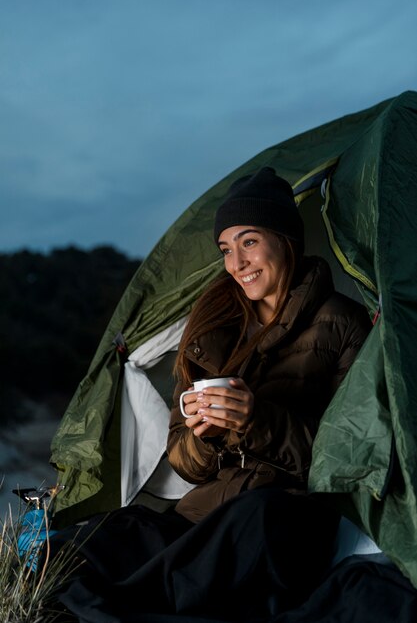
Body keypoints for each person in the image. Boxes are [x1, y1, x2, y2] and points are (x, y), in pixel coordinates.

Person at [47, 167, 372, 622]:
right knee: (89, 543)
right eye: (226, 249)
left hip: (283, 518)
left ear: (285, 239)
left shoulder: (346, 324)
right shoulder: (212, 327)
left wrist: (256, 420)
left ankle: (119, 607)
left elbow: (349, 459)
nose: (236, 263)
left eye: (249, 242)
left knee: (253, 519)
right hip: (200, 515)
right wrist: (203, 435)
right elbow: (183, 461)